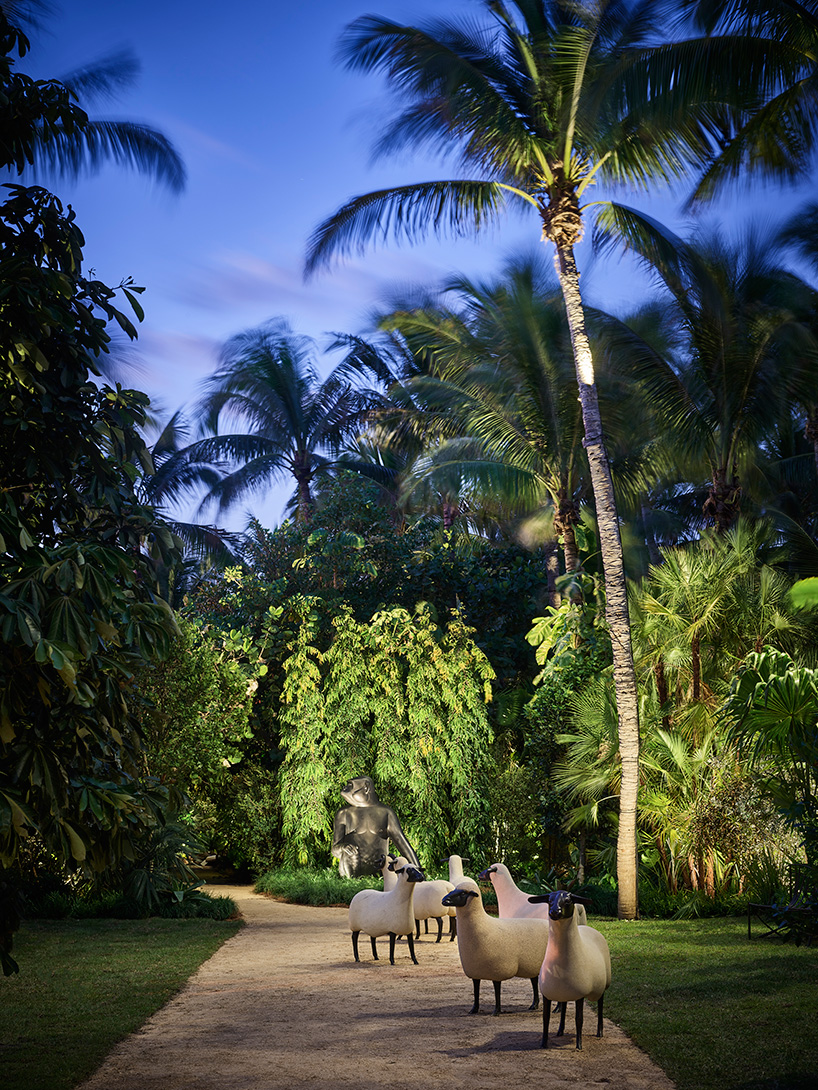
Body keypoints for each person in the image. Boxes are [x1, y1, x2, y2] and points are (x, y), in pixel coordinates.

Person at [331, 776, 420, 877]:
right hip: (351, 872)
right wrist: (343, 847)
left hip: (380, 872)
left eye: (350, 785)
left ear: (366, 788)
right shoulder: (344, 813)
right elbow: (335, 850)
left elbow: (402, 844)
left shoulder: (385, 813)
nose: (345, 789)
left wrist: (417, 869)